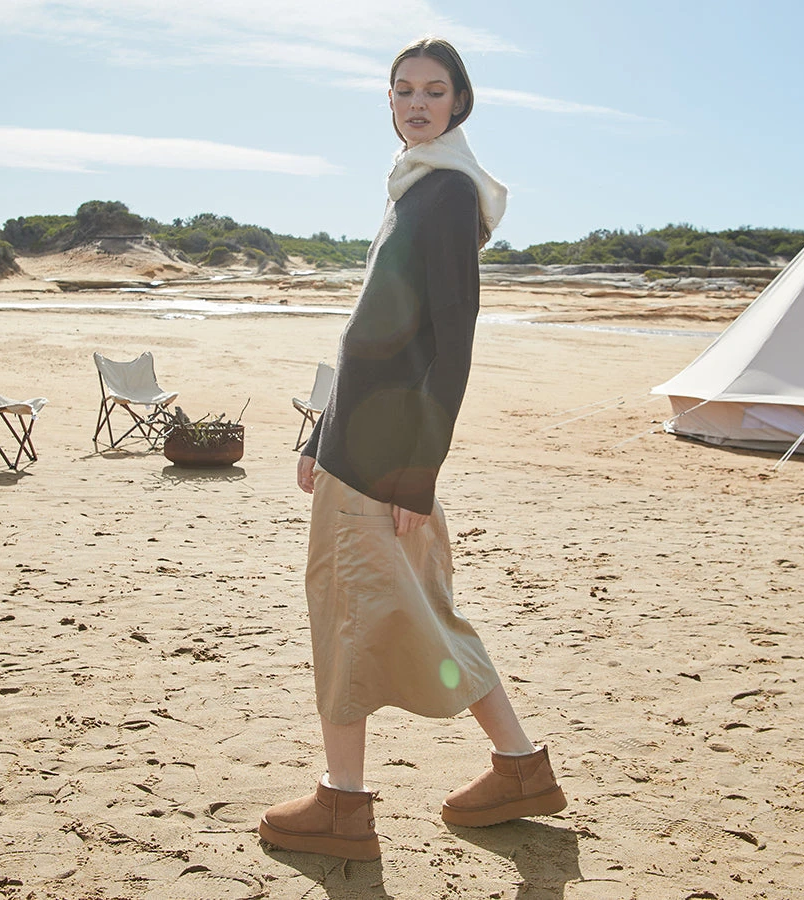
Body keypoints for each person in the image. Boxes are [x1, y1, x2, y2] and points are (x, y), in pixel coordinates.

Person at [259, 37, 566, 861]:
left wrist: (417, 475)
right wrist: (320, 428)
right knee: (424, 612)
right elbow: (374, 332)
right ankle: (519, 767)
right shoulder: (417, 186)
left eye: (434, 90)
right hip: (363, 445)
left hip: (385, 460)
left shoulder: (446, 193)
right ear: (389, 102)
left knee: (346, 615)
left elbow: (450, 343)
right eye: (404, 90)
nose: (417, 103)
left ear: (460, 101)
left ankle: (343, 805)